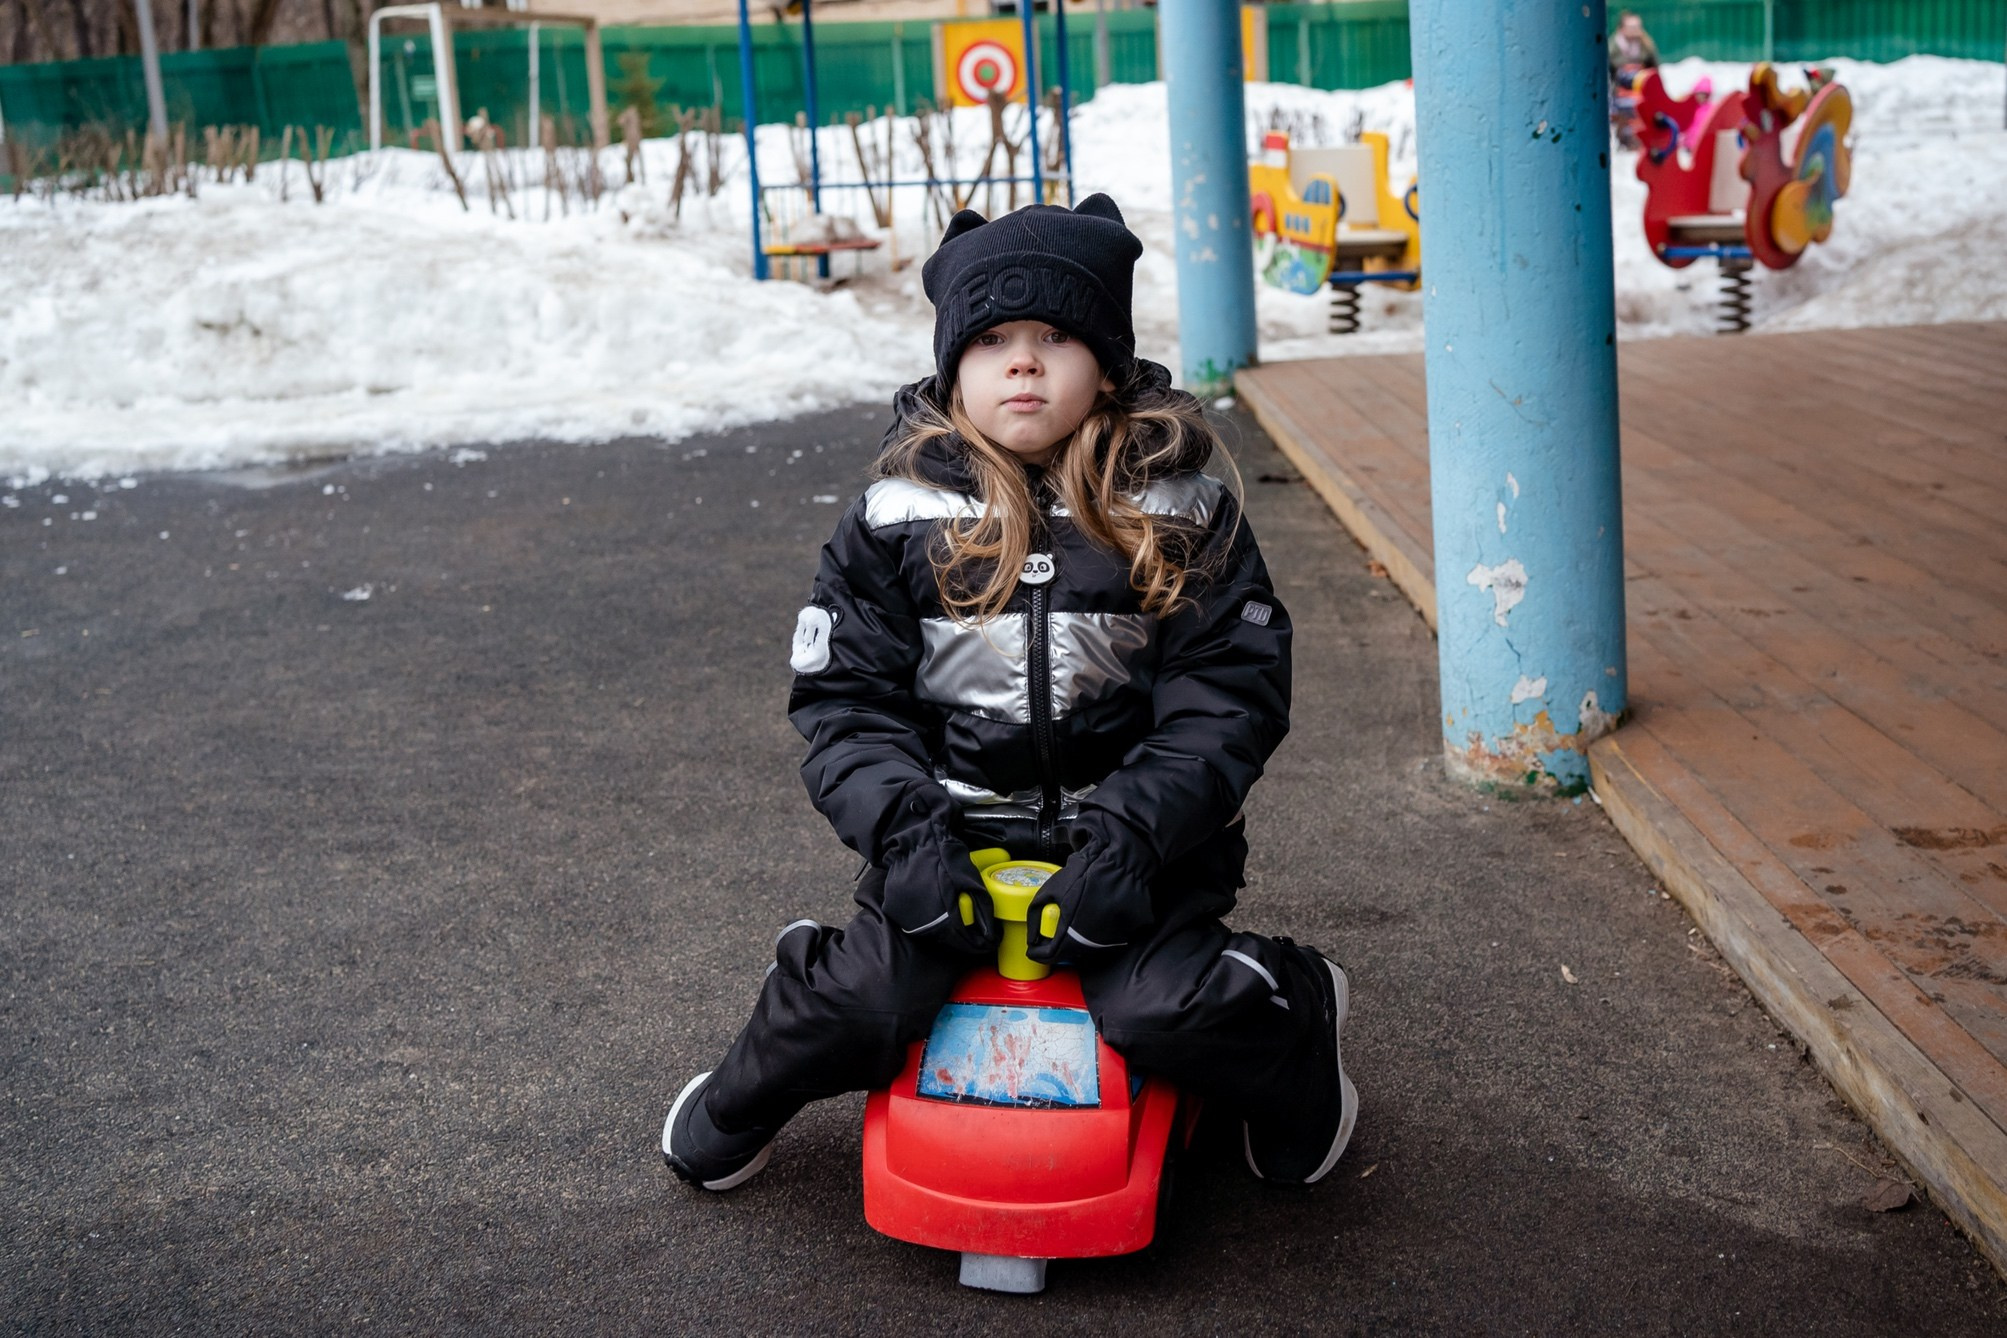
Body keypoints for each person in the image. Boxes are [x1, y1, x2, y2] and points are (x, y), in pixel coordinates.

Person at [661, 194, 1357, 1196]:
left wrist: (1132, 840)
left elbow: (1226, 702)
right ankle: (736, 1100)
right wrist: (908, 840)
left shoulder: (1182, 509)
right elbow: (846, 704)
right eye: (991, 340)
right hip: (947, 842)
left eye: (1055, 337)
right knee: (866, 999)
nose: (1022, 363)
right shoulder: (894, 518)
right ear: (954, 367)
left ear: (1107, 364)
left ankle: (1299, 1016)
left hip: (1141, 854)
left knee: (1160, 1008)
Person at [1608, 10, 1660, 77]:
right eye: (1631, 27)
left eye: (1637, 26)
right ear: (1621, 29)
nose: (1635, 30)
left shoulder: (1646, 45)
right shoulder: (1611, 47)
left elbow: (1654, 68)